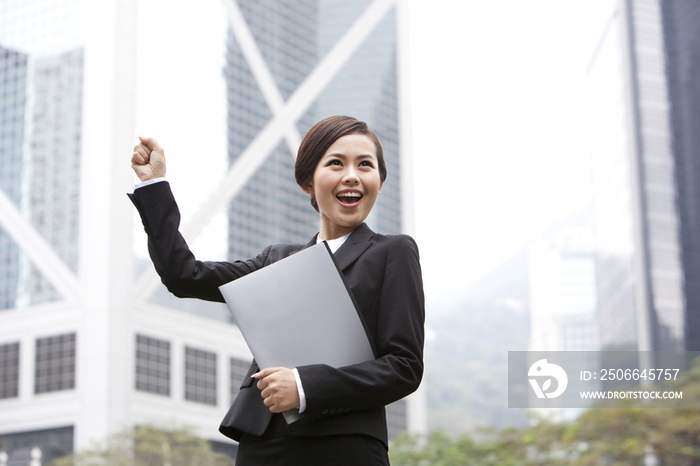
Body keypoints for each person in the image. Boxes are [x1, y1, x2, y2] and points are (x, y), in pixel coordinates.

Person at [129, 115, 425, 465]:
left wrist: (303, 386)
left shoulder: (393, 252)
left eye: (365, 165)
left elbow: (403, 366)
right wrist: (154, 186)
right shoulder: (277, 260)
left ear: (379, 180)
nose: (352, 175)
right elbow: (183, 275)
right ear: (307, 181)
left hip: (344, 447)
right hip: (263, 443)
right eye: (335, 163)